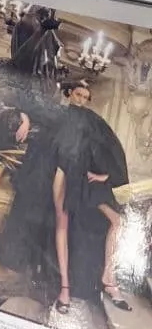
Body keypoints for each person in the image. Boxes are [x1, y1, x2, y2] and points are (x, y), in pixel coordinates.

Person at [51, 71, 131, 313]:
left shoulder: (93, 120)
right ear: (69, 93)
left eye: (86, 97)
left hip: (87, 178)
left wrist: (107, 175)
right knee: (62, 223)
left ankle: (109, 278)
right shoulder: (58, 115)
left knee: (118, 221)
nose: (82, 100)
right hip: (63, 173)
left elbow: (111, 149)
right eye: (78, 94)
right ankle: (65, 289)